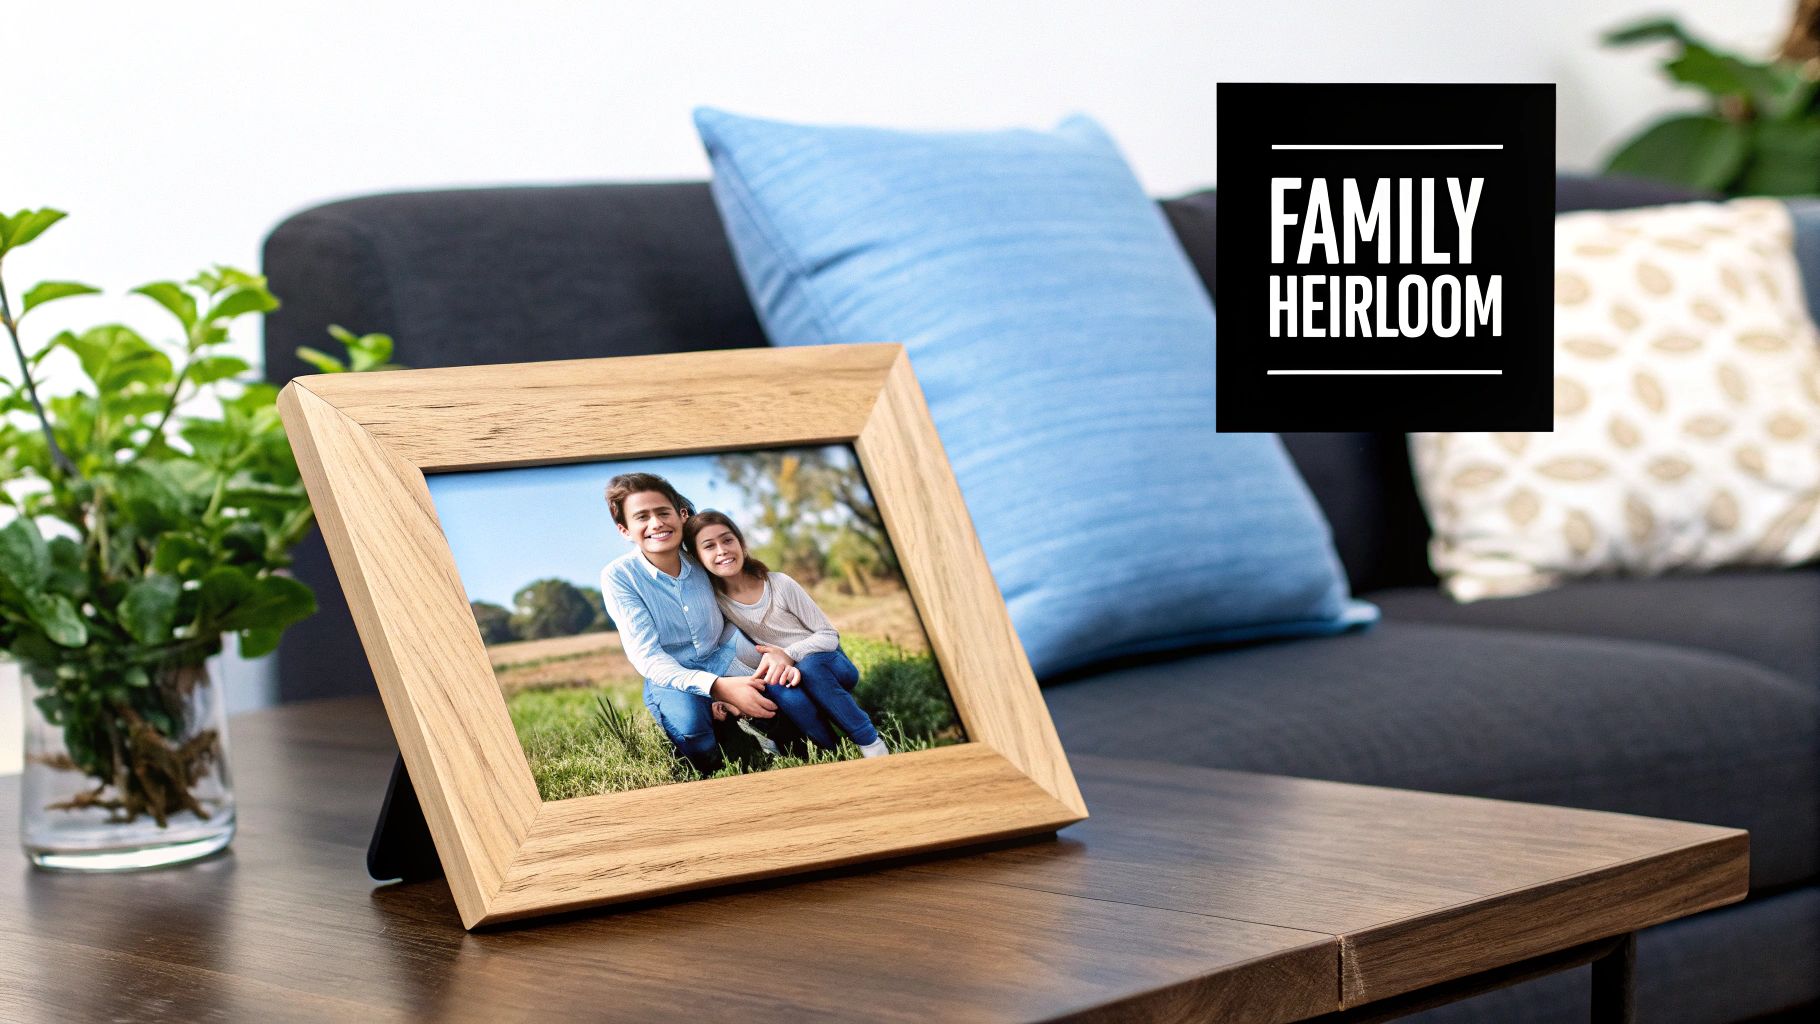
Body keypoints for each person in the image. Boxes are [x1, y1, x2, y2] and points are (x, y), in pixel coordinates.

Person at [599, 473, 799, 774]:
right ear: (625, 530)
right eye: (642, 517)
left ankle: (754, 727)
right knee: (694, 732)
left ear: (681, 515)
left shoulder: (704, 558)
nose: (656, 523)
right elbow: (648, 657)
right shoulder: (619, 577)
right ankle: (719, 738)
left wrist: (769, 652)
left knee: (784, 704)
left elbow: (736, 612)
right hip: (671, 672)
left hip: (720, 655)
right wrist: (718, 689)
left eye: (663, 512)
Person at [683, 510, 890, 759]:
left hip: (829, 663)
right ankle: (834, 754)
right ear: (698, 558)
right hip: (788, 673)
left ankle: (870, 742)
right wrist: (718, 695)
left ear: (741, 543)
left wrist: (789, 655)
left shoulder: (779, 584)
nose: (722, 550)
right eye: (709, 546)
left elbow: (828, 635)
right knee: (780, 688)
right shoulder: (718, 602)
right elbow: (716, 648)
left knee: (811, 668)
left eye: (727, 540)